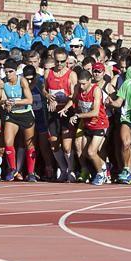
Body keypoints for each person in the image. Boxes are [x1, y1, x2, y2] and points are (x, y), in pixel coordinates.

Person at [0, 59, 37, 182]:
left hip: (25, 114)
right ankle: (13, 169)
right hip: (12, 115)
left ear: (16, 71)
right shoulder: (2, 82)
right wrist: (4, 102)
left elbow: (30, 100)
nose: (8, 74)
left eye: (11, 71)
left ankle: (31, 172)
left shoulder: (22, 81)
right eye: (6, 72)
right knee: (8, 142)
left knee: (29, 143)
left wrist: (14, 102)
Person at [70, 70, 109, 186]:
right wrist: (66, 108)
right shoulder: (78, 88)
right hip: (87, 125)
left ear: (89, 80)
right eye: (80, 84)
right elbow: (73, 100)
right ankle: (105, 167)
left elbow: (95, 112)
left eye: (84, 84)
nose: (81, 86)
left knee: (92, 152)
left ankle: (100, 174)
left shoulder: (96, 90)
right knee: (85, 153)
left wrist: (78, 115)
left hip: (99, 124)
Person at [45, 48, 78, 182]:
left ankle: (71, 169)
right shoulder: (49, 72)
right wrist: (48, 96)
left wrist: (66, 103)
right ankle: (63, 169)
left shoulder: (71, 74)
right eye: (57, 61)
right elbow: (44, 88)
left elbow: (75, 95)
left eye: (62, 62)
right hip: (53, 112)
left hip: (66, 111)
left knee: (66, 145)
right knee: (53, 142)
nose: (59, 64)